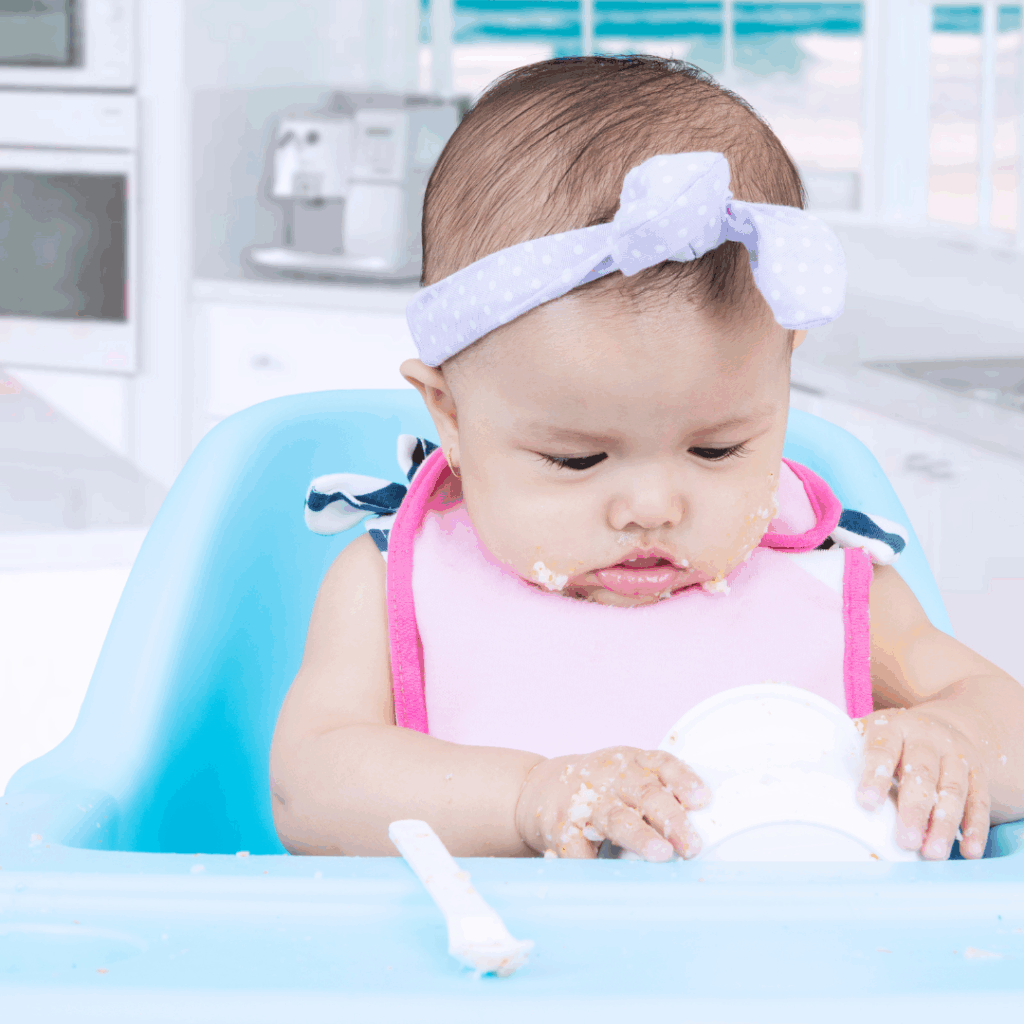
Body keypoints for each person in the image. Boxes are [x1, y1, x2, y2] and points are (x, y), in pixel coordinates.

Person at [270, 55, 1024, 863]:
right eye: (576, 459)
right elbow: (309, 788)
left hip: (789, 977)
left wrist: (950, 743)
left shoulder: (826, 575)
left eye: (717, 448)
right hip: (497, 974)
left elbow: (1005, 726)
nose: (653, 505)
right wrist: (526, 799)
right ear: (449, 415)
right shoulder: (398, 573)